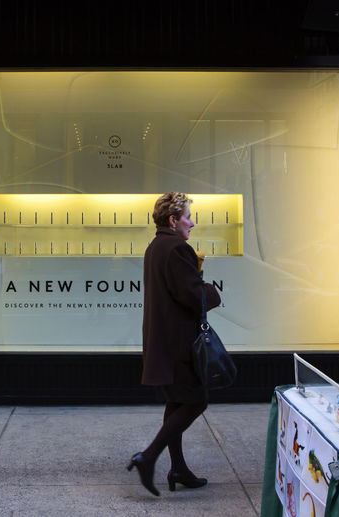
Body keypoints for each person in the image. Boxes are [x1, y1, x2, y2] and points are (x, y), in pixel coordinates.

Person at [127, 192, 221, 496]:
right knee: (196, 400)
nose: (191, 223)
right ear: (173, 220)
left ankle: (178, 468)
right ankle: (148, 456)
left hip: (163, 341)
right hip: (179, 345)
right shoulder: (178, 248)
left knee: (177, 402)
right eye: (187, 217)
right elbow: (193, 295)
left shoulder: (155, 247)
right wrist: (211, 289)